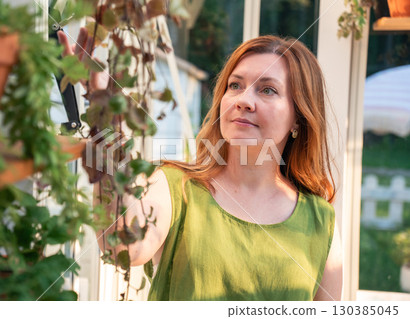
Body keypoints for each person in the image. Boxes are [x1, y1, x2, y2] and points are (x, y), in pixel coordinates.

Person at [59, 30, 343, 301]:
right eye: (236, 85)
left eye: (268, 90)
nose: (244, 100)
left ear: (298, 117)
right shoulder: (176, 187)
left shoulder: (321, 221)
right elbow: (122, 248)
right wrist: (104, 119)